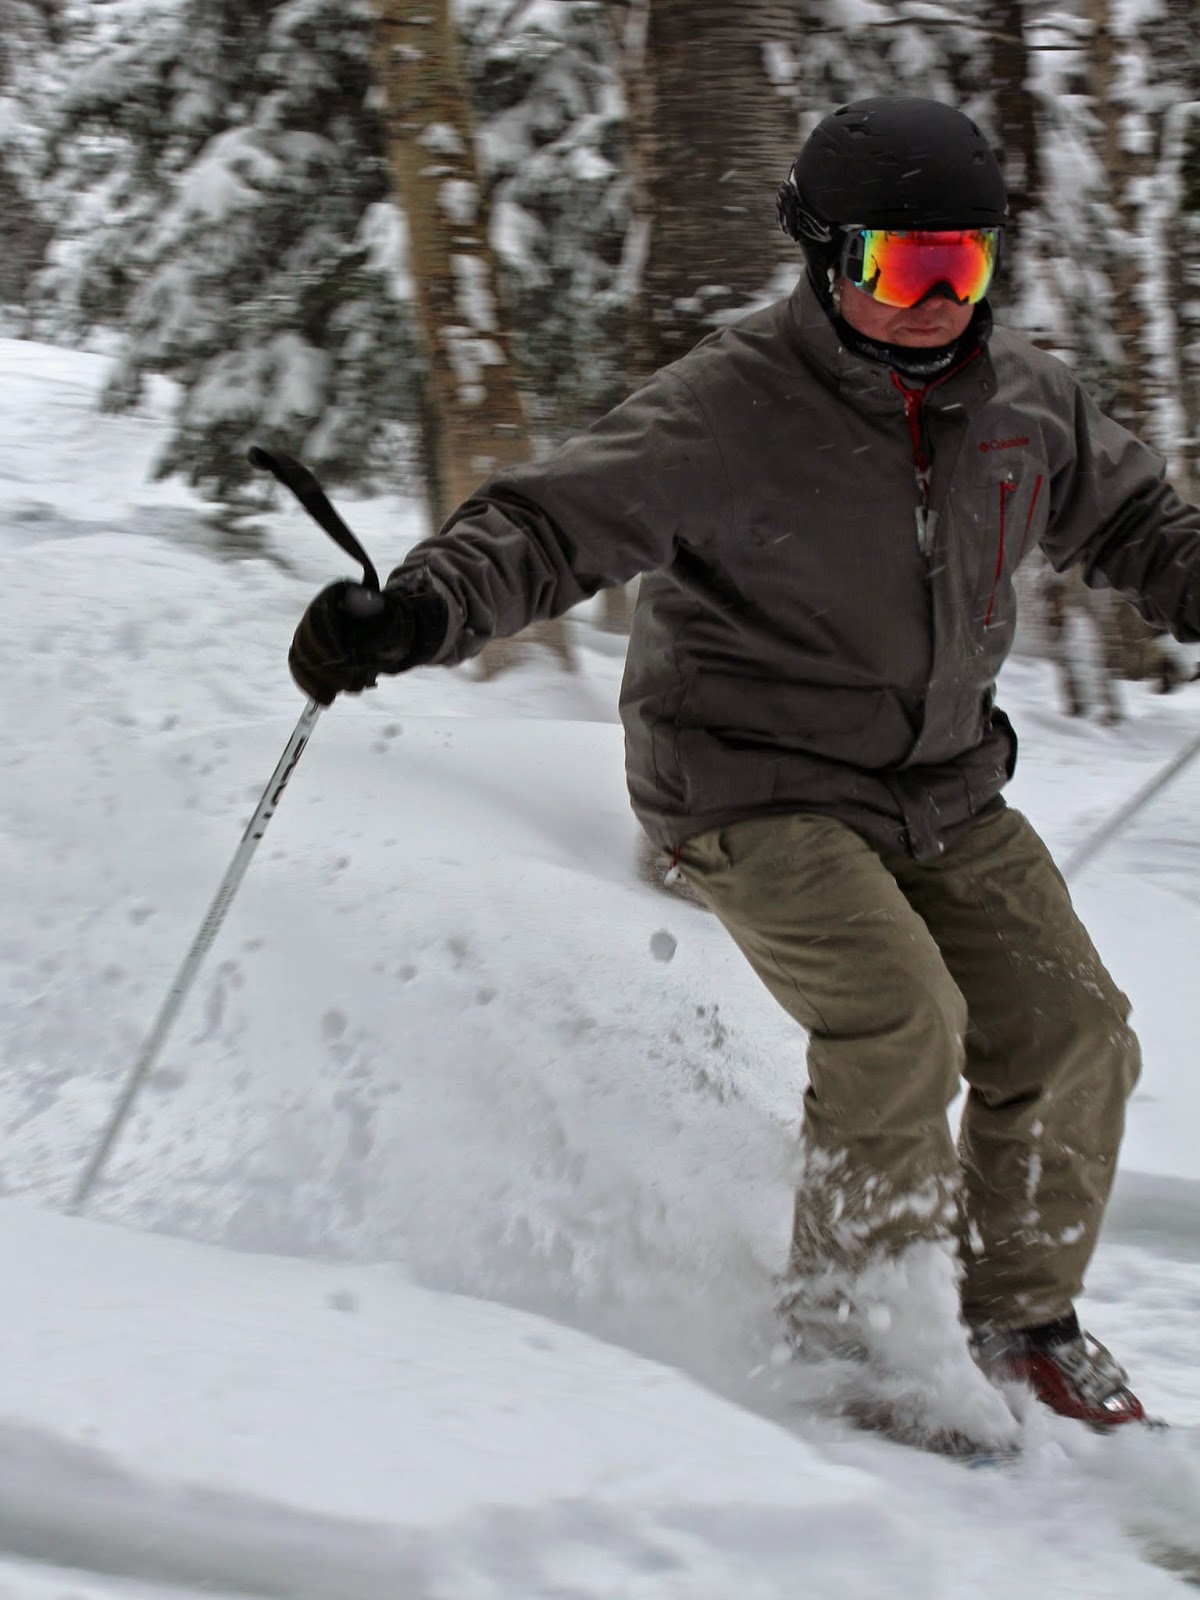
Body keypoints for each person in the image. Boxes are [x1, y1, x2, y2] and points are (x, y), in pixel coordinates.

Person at [290, 96, 1200, 1436]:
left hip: (944, 782)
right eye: (903, 267)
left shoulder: (1024, 401)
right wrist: (418, 611)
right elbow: (550, 523)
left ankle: (1019, 1322)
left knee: (1076, 1032)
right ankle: (857, 1343)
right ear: (826, 258)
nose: (938, 302)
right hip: (750, 781)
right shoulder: (730, 406)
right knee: (900, 1020)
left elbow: (1135, 520)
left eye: (964, 267)